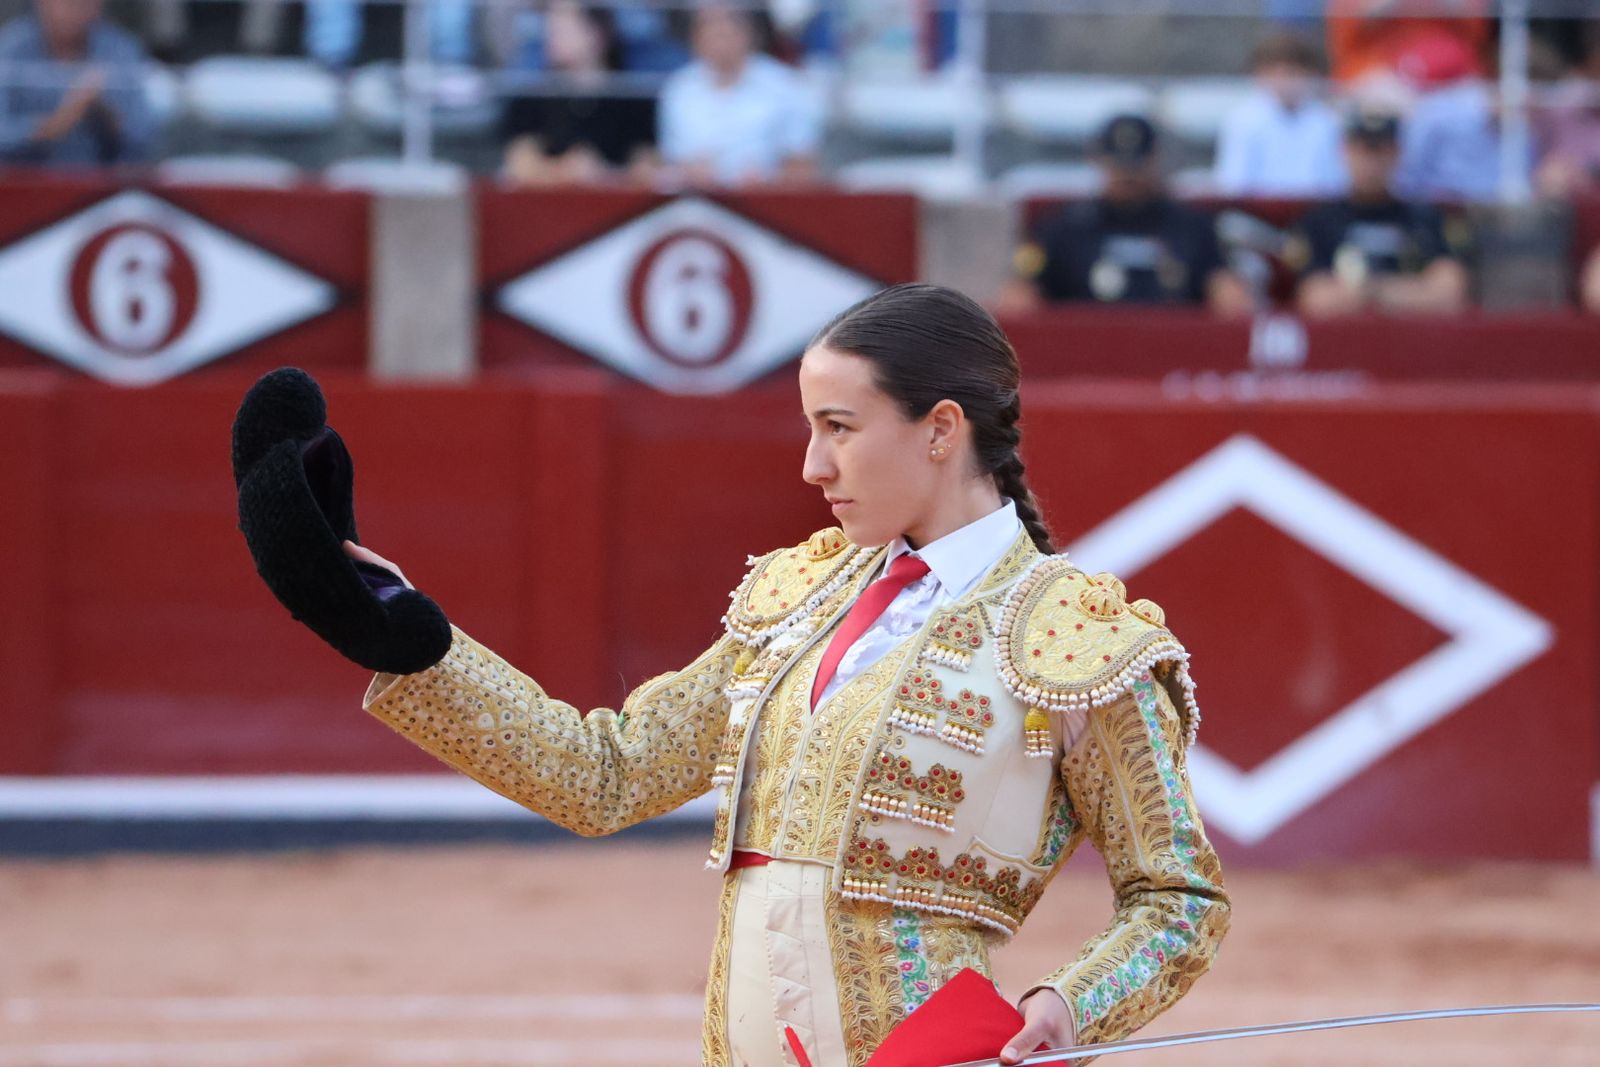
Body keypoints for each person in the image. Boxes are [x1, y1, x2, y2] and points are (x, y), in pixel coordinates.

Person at [326, 283, 1230, 1066]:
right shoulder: (799, 597)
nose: (812, 465)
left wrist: (1073, 1003)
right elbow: (606, 775)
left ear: (941, 430)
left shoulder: (1075, 640)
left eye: (839, 427)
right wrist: (406, 639)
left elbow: (1178, 896)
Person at [1002, 114, 1254, 316]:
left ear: (1155, 159)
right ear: (1098, 160)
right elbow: (1019, 299)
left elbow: (1230, 297)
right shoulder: (1065, 228)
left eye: (1136, 165)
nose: (1127, 175)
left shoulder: (1193, 227)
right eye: (1118, 165)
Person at [1293, 109, 1470, 317]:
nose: (1371, 164)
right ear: (1345, 152)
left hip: (1411, 333)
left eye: (1380, 153)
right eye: (1363, 152)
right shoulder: (1321, 221)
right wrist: (1411, 291)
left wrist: (1374, 291)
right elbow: (1316, 299)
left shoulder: (1424, 218)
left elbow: (1449, 291)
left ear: (1397, 154)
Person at [657, 3, 821, 188]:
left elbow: (803, 165)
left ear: (749, 35)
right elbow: (670, 160)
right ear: (695, 40)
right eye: (711, 35)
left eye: (726, 34)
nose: (720, 44)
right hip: (693, 198)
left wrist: (768, 181)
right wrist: (691, 172)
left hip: (766, 198)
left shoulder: (786, 86)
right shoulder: (678, 88)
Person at [499, 1, 657, 188]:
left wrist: (602, 174)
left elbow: (648, 167)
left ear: (597, 33)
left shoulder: (632, 98)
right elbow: (519, 165)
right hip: (550, 201)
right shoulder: (532, 97)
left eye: (564, 28)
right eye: (551, 27)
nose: (553, 35)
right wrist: (565, 171)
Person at [0, 0, 153, 167]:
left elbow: (144, 138)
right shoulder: (10, 49)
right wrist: (52, 125)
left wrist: (105, 114)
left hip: (101, 179)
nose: (77, 9)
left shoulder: (121, 49)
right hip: (23, 178)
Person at [1214, 29, 1347, 198]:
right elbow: (1233, 183)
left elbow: (1335, 183)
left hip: (1316, 210)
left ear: (1310, 74)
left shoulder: (1326, 121)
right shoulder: (1242, 120)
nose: (1284, 81)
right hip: (1255, 210)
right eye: (1276, 72)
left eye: (1293, 72)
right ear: (1260, 74)